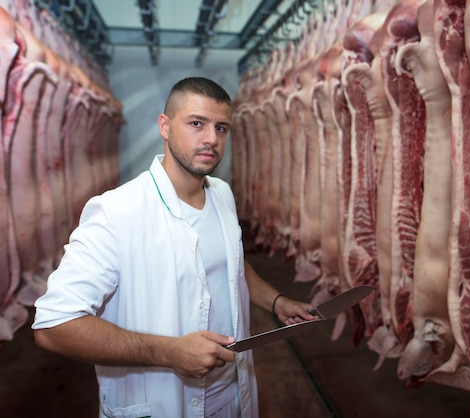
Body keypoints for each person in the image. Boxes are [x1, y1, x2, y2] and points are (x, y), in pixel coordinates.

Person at [32, 77, 317, 418]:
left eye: (221, 127)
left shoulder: (221, 194)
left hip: (232, 397)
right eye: (197, 123)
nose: (211, 138)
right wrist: (170, 352)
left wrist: (276, 301)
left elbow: (230, 262)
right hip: (163, 404)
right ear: (164, 126)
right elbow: (53, 326)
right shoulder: (116, 212)